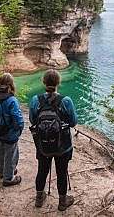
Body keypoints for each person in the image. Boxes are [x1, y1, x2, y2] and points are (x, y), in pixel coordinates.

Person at [29, 69, 78, 211]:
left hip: (43, 144)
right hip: (63, 145)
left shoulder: (35, 100)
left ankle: (39, 199)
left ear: (43, 82)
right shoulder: (66, 101)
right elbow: (73, 122)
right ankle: (62, 202)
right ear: (58, 82)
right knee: (62, 172)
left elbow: (32, 120)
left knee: (42, 170)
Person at [0, 73, 24, 186]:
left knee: (1, 152)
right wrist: (19, 129)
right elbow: (17, 119)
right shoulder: (11, 100)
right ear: (11, 85)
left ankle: (3, 172)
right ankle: (8, 178)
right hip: (9, 132)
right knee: (11, 154)